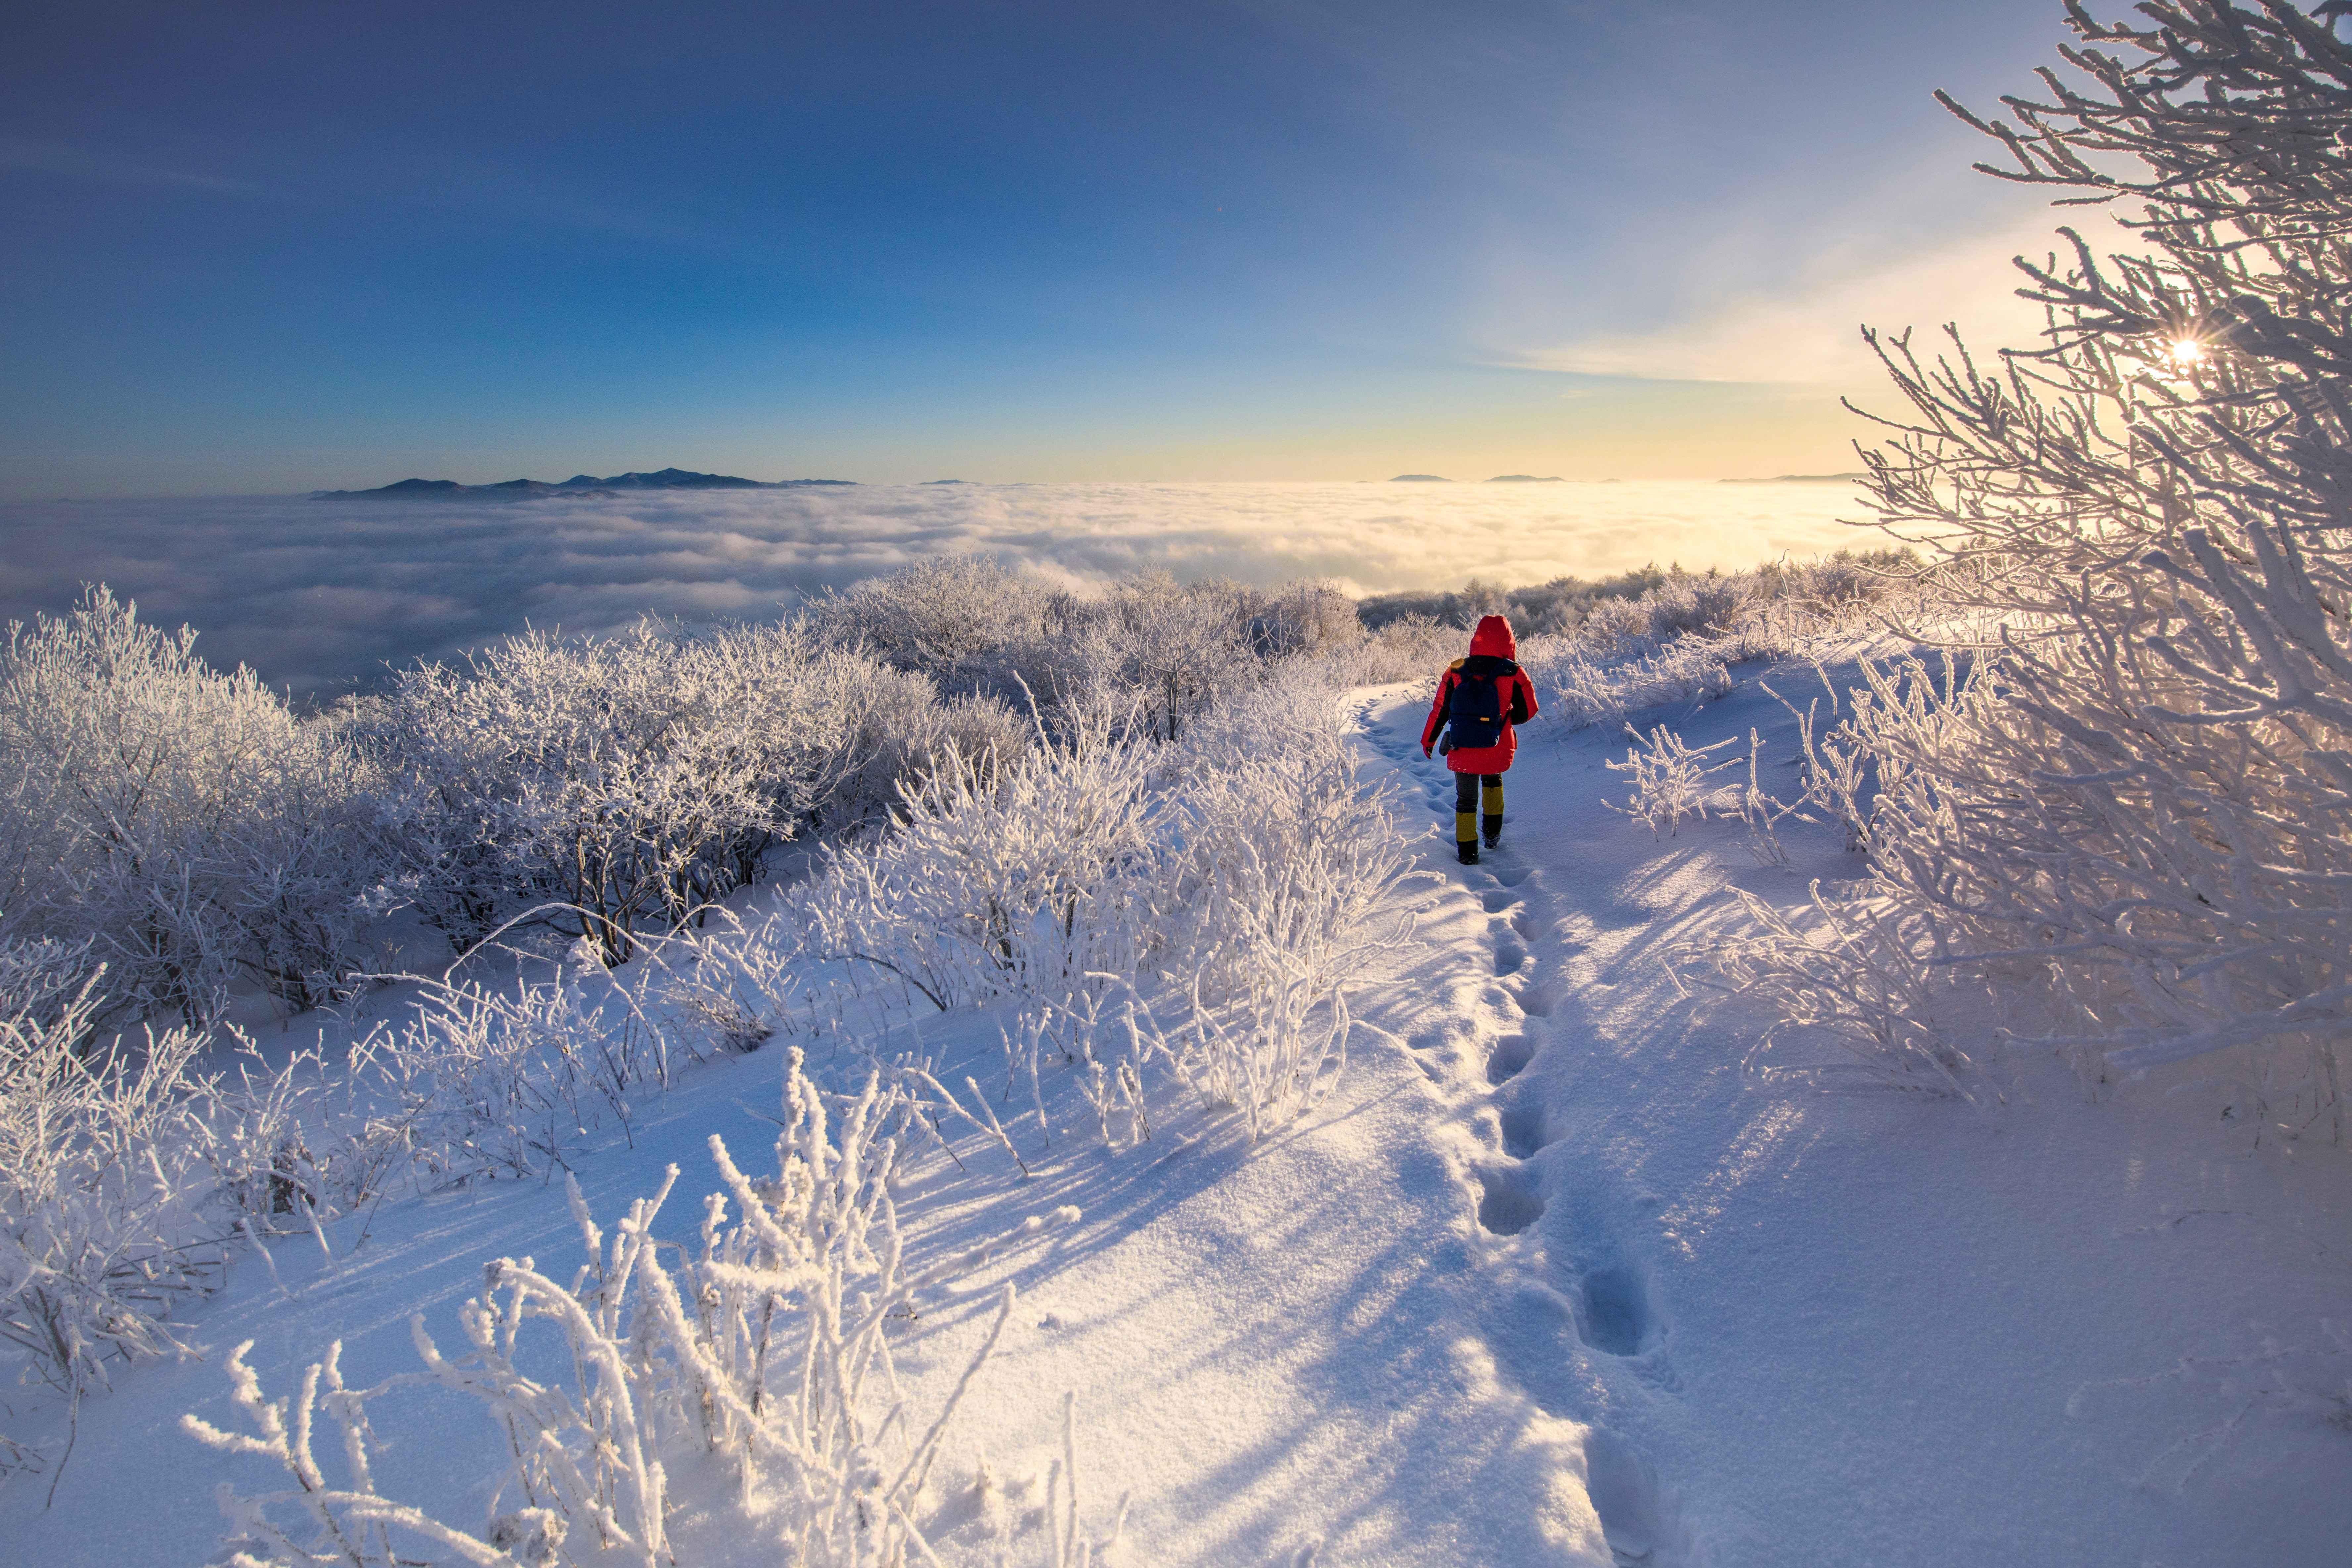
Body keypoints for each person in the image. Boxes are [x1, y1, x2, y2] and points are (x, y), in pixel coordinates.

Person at [1421, 613, 1539, 864]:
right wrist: (1502, 722)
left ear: (1476, 638)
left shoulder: (1457, 668)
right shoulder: (1514, 672)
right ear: (1509, 641)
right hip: (1497, 744)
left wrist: (1428, 740)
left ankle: (1467, 854)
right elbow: (1529, 711)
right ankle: (1492, 837)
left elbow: (1441, 708)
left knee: (1465, 800)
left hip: (1462, 746)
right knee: (1493, 781)